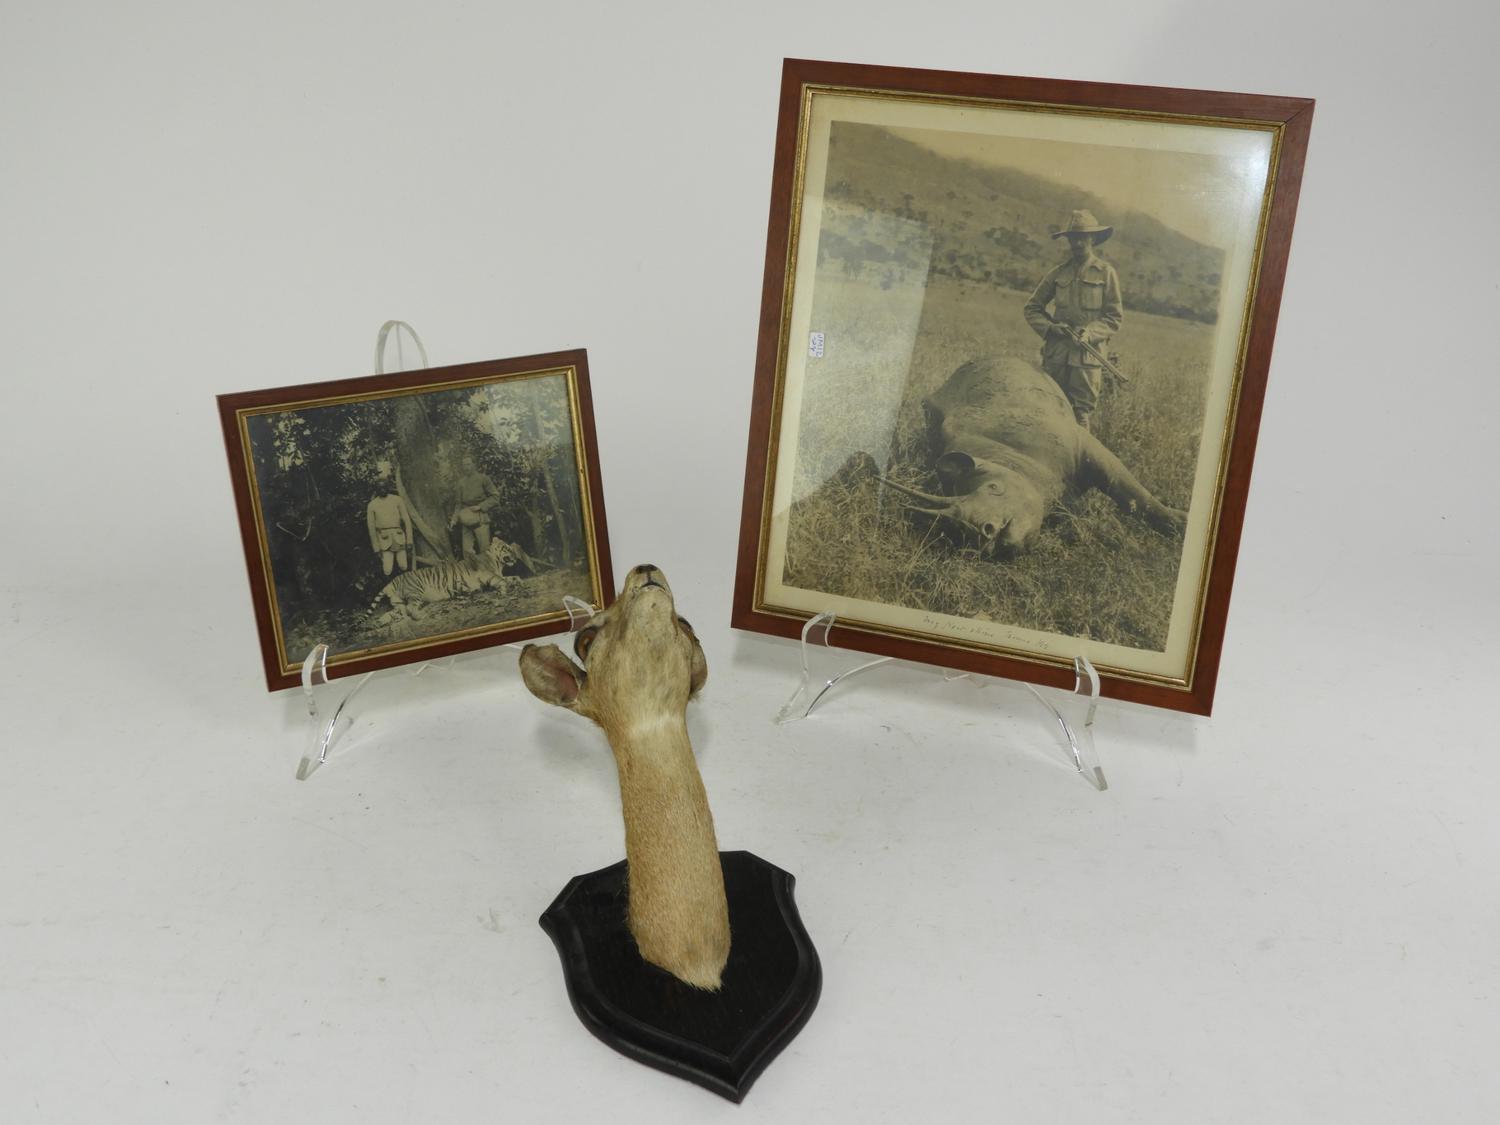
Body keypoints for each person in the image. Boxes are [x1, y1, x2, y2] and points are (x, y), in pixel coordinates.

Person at [1022, 208, 1124, 429]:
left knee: (1081, 416)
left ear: (1093, 239)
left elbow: (1114, 317)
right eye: (1073, 238)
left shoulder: (1106, 273)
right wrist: (1051, 328)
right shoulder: (1058, 273)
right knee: (1051, 411)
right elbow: (1032, 308)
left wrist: (1090, 333)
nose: (1077, 243)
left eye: (1083, 238)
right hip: (1056, 356)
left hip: (1087, 358)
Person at [365, 460, 414, 576]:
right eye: (380, 488)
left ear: (388, 487)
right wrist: (376, 548)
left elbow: (407, 521)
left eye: (384, 487)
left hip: (398, 536)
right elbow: (371, 529)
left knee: (403, 565)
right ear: (376, 490)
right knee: (387, 569)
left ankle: (405, 585)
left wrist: (409, 541)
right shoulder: (372, 505)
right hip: (384, 539)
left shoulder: (397, 500)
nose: (382, 490)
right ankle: (391, 586)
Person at [452, 459, 500, 558]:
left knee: (484, 550)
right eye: (464, 465)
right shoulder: (460, 483)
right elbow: (458, 504)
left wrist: (480, 506)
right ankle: (471, 568)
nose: (466, 467)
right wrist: (454, 519)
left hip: (480, 517)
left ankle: (488, 568)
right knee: (467, 552)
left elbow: (495, 497)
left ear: (474, 465)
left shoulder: (483, 479)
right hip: (466, 519)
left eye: (468, 464)